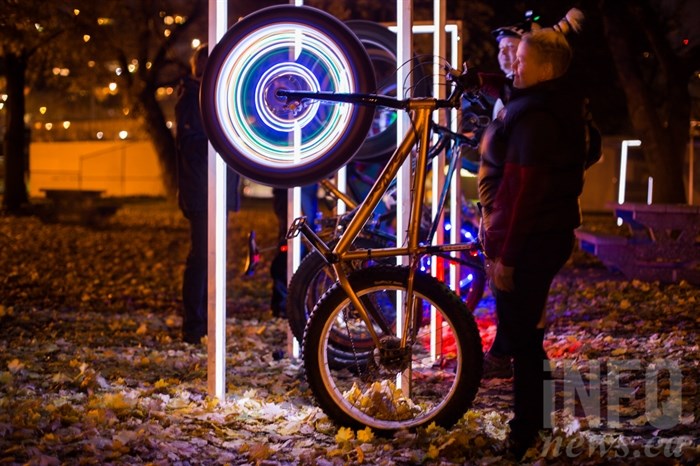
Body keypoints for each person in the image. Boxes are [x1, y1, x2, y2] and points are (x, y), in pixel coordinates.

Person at [477, 25, 588, 459]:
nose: (514, 66)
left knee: (521, 339)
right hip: (546, 234)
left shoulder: (537, 117)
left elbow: (524, 191)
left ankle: (524, 431)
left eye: (522, 60)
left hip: (532, 238)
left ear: (546, 68)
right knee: (529, 336)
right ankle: (534, 421)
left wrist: (506, 255)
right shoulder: (552, 105)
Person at [175, 44, 241, 343]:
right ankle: (194, 325)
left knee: (211, 257)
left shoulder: (210, 97)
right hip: (202, 190)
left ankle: (203, 320)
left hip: (211, 188)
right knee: (202, 256)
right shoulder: (192, 98)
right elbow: (192, 143)